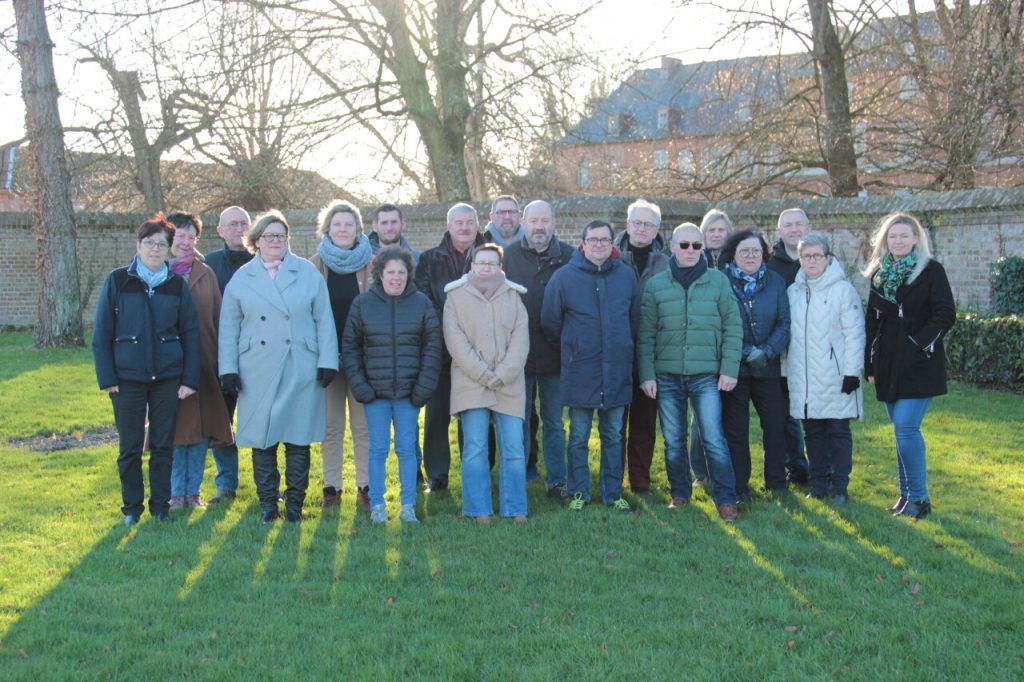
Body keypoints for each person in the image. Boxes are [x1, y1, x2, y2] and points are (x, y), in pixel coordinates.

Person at [218, 210, 338, 522]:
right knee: (262, 438)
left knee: (298, 438)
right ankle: (269, 506)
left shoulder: (307, 272)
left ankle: (295, 508)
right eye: (269, 236)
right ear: (255, 241)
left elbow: (324, 319)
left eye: (281, 236)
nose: (275, 241)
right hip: (256, 368)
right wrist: (227, 369)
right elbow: (229, 327)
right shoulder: (242, 277)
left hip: (301, 364)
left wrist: (328, 361)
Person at [92, 213, 200, 526]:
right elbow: (101, 334)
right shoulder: (118, 280)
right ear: (138, 246)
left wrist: (189, 379)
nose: (155, 249)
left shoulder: (176, 286)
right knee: (129, 448)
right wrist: (107, 378)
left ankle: (160, 507)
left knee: (163, 446)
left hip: (168, 378)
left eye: (161, 244)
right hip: (126, 380)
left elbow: (191, 334)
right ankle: (131, 508)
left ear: (169, 249)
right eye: (149, 243)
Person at [637, 223, 743, 521]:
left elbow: (733, 327)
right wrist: (647, 374)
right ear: (672, 247)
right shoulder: (657, 285)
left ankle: (726, 499)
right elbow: (646, 334)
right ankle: (680, 494)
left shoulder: (718, 282)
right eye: (684, 245)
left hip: (705, 375)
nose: (691, 251)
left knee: (714, 439)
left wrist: (729, 369)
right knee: (673, 440)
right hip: (667, 374)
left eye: (697, 246)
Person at [541, 220, 640, 512]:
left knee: (612, 436)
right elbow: (550, 322)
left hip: (617, 369)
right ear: (583, 243)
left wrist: (620, 346)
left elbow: (634, 319)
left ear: (612, 244)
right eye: (593, 240)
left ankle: (612, 493)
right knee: (579, 436)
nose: (599, 244)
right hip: (580, 370)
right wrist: (575, 347)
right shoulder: (563, 278)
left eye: (604, 240)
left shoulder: (625, 276)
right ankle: (579, 492)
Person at [864, 212, 955, 520]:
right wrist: (870, 362)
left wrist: (918, 344)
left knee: (906, 427)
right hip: (887, 360)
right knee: (900, 431)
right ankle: (905, 496)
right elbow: (872, 322)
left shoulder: (931, 271)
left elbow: (945, 314)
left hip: (920, 361)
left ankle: (919, 497)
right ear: (885, 241)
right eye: (893, 236)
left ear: (916, 238)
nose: (899, 241)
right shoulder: (879, 272)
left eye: (904, 235)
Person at [343, 247, 442, 524]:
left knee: (407, 449)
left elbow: (433, 347)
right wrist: (361, 388)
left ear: (408, 275)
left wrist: (422, 389)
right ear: (380, 275)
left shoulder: (421, 303)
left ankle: (408, 505)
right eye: (390, 273)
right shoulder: (362, 304)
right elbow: (350, 348)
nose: (396, 278)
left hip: (409, 395)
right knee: (377, 449)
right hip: (375, 395)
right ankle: (377, 505)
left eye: (401, 273)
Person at [444, 244, 530, 523]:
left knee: (514, 449)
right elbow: (455, 342)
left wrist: (502, 374)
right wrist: (483, 374)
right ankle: (478, 508)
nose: (485, 268)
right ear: (471, 265)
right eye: (481, 262)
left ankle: (515, 507)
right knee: (476, 448)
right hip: (471, 383)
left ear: (500, 267)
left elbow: (520, 341)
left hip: (509, 384)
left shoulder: (514, 297)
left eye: (491, 264)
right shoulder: (455, 297)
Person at [502, 200, 575, 501]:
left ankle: (557, 482)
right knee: (518, 422)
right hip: (517, 356)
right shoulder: (506, 257)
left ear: (554, 223)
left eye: (545, 220)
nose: (540, 226)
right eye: (534, 220)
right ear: (523, 222)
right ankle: (517, 480)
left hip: (556, 356)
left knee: (555, 423)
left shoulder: (570, 257)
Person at [414, 202, 487, 492]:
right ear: (449, 226)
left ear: (478, 225)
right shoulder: (430, 259)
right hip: (441, 350)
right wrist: (451, 329)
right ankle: (438, 473)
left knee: (477, 413)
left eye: (470, 222)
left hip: (481, 350)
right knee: (437, 415)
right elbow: (423, 298)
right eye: (459, 223)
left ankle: (479, 470)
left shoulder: (490, 256)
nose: (465, 228)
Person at [788, 232, 865, 504]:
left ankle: (840, 486)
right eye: (805, 256)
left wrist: (852, 372)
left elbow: (855, 333)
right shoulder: (793, 292)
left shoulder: (843, 291)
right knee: (813, 433)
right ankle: (818, 484)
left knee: (838, 432)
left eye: (816, 255)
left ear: (827, 258)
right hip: (805, 378)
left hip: (836, 376)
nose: (811, 261)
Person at [165, 211, 233, 512]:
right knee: (175, 433)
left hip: (204, 366)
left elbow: (219, 321)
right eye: (179, 235)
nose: (185, 241)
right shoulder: (155, 272)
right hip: (167, 368)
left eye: (191, 236)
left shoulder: (206, 274)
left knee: (200, 432)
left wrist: (222, 365)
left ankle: (192, 493)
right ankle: (174, 493)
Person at [719, 230, 791, 504]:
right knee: (736, 429)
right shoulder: (722, 282)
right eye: (744, 251)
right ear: (734, 255)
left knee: (775, 424)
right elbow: (721, 323)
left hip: (768, 368)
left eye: (755, 251)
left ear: (764, 255)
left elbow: (785, 322)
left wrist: (768, 351)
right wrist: (746, 352)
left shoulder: (776, 281)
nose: (750, 256)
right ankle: (739, 485)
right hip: (735, 369)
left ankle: (776, 481)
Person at [309, 200, 372, 511]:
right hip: (327, 360)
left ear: (358, 229)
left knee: (364, 428)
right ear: (327, 229)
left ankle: (366, 487)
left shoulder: (373, 264)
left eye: (349, 224)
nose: (343, 229)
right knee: (331, 428)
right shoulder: (313, 266)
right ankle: (332, 488)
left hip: (363, 360)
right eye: (338, 224)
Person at [615, 199, 670, 495]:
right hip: (616, 353)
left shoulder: (667, 262)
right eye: (636, 222)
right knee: (614, 423)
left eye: (648, 224)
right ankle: (613, 479)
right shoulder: (610, 256)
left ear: (657, 229)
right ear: (627, 225)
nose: (641, 228)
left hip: (652, 354)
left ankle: (640, 481)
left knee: (645, 422)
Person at [203, 205, 253, 504]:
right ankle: (226, 483)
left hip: (260, 355)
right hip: (222, 357)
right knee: (221, 421)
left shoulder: (266, 262)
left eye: (244, 224)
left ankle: (270, 482)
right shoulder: (208, 266)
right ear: (220, 230)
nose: (239, 229)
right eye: (232, 224)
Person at [768, 207, 813, 485]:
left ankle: (824, 467)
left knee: (816, 412)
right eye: (788, 225)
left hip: (815, 350)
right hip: (782, 349)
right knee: (785, 413)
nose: (794, 229)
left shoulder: (820, 260)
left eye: (799, 224)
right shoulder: (771, 266)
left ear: (808, 228)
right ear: (779, 231)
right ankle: (795, 465)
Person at [689, 208, 734, 485]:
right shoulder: (693, 259)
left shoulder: (737, 260)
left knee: (727, 415)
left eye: (721, 230)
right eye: (711, 230)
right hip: (701, 349)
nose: (717, 235)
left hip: (728, 348)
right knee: (699, 417)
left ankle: (727, 468)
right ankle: (701, 471)